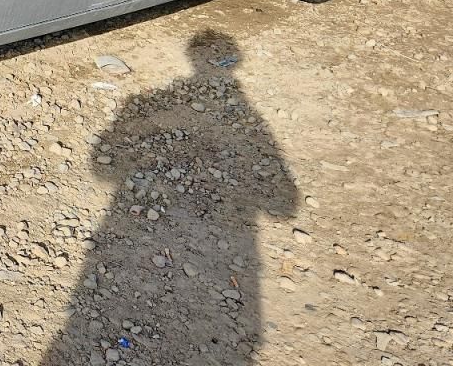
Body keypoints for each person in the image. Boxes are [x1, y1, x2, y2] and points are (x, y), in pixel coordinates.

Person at [42, 30, 298, 365]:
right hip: (224, 276)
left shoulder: (149, 106)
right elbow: (285, 204)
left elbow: (101, 167)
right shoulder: (246, 117)